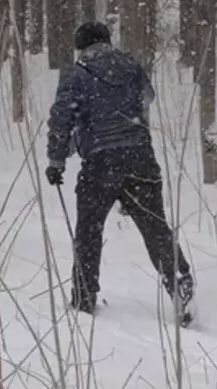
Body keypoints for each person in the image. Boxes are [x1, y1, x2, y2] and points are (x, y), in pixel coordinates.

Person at [46, 21, 193, 323]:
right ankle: (179, 280)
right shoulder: (130, 65)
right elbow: (148, 98)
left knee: (89, 231)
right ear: (107, 41)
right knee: (155, 227)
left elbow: (62, 118)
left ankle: (84, 299)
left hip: (100, 163)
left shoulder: (76, 74)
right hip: (140, 157)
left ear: (81, 46)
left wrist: (57, 160)